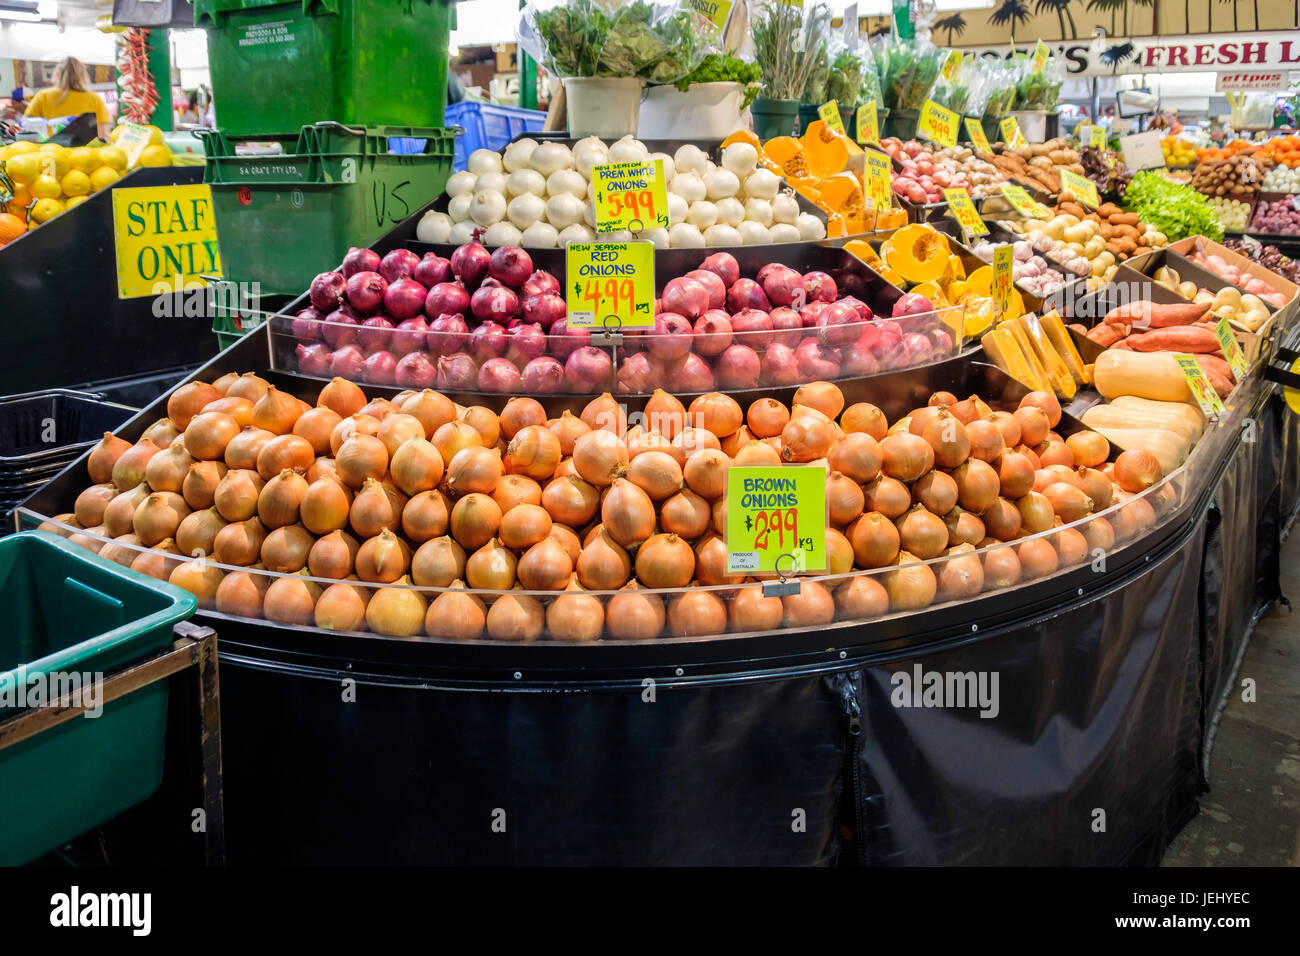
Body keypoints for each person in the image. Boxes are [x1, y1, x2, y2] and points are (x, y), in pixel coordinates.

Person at [24, 58, 111, 140]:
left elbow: (26, 127)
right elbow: (103, 136)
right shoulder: (94, 99)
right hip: (85, 153)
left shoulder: (42, 96)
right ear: (83, 77)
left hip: (52, 152)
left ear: (57, 75)